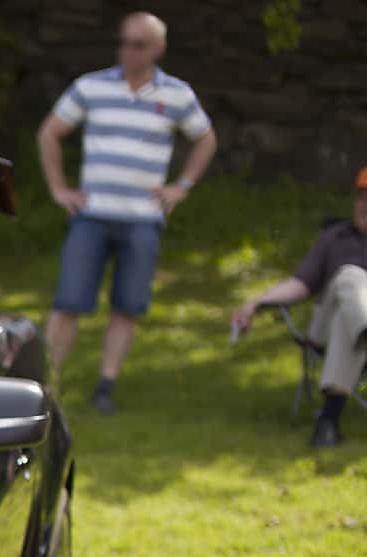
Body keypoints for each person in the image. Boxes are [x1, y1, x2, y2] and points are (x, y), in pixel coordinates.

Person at [38, 11, 218, 414]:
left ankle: (105, 387)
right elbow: (50, 132)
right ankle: (44, 387)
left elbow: (206, 139)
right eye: (124, 43)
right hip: (91, 215)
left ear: (158, 49)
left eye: (138, 45)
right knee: (68, 301)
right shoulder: (91, 86)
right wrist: (59, 189)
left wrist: (181, 187)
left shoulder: (177, 95)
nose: (128, 52)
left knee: (128, 306)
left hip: (143, 219)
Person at [231, 170, 367, 448]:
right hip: (322, 330)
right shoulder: (334, 237)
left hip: (343, 332)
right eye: (362, 197)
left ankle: (328, 423)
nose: (366, 205)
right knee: (350, 276)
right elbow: (299, 284)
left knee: (346, 322)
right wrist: (256, 303)